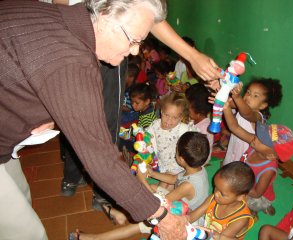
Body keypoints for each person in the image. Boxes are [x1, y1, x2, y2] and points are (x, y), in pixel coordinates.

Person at [0, 0, 222, 239]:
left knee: (20, 193)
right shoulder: (73, 63)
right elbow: (101, 159)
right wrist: (159, 215)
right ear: (105, 16)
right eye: (133, 40)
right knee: (25, 232)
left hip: (7, 145)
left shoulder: (61, 18)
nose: (136, 51)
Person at [71, 131, 210, 239]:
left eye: (176, 150)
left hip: (185, 220)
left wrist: (142, 179)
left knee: (140, 223)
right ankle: (122, 214)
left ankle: (95, 238)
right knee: (155, 187)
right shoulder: (197, 168)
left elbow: (158, 203)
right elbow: (174, 178)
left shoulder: (188, 186)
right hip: (181, 203)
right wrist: (152, 174)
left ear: (181, 159)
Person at [222, 99, 293, 218]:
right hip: (244, 182)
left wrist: (237, 186)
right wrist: (225, 107)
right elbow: (234, 127)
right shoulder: (255, 143)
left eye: (261, 139)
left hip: (255, 194)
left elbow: (257, 193)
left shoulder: (268, 170)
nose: (256, 137)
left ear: (271, 155)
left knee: (242, 205)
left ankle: (257, 209)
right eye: (260, 134)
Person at [222, 78, 283, 166]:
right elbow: (228, 102)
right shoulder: (240, 105)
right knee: (228, 162)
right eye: (248, 92)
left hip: (246, 153)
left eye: (255, 96)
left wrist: (237, 97)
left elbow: (246, 113)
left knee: (238, 171)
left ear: (262, 105)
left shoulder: (258, 116)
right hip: (234, 144)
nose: (249, 96)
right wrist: (220, 90)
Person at [189, 161, 255, 240]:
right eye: (216, 187)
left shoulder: (240, 219)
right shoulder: (213, 199)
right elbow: (194, 215)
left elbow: (222, 238)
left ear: (240, 197)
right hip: (209, 231)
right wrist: (180, 221)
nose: (216, 194)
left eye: (222, 194)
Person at [146, 92, 197, 189]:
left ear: (181, 117)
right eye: (166, 115)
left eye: (174, 118)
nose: (169, 121)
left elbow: (195, 141)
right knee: (164, 186)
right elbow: (147, 138)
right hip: (162, 164)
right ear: (161, 112)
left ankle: (158, 198)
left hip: (179, 166)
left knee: (163, 187)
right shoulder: (155, 125)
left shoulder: (183, 129)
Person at [185, 83, 214, 160]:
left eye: (188, 109)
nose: (186, 110)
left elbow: (198, 153)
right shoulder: (195, 119)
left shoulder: (205, 129)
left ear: (198, 113)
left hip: (199, 159)